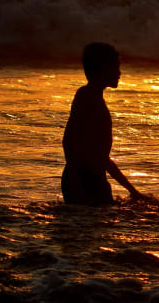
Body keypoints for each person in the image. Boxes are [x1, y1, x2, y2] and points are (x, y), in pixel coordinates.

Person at [61, 42, 148, 205]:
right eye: (116, 66)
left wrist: (133, 191)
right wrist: (76, 183)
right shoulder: (86, 97)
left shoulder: (93, 98)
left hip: (93, 179)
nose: (120, 72)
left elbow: (102, 158)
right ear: (103, 68)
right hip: (83, 181)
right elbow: (68, 142)